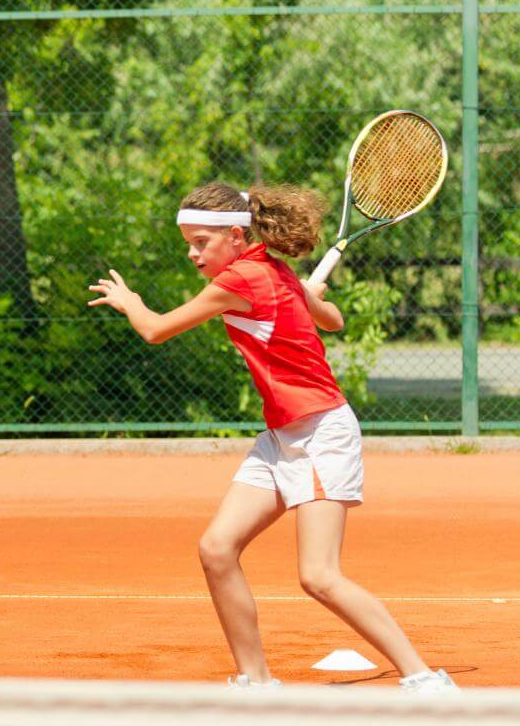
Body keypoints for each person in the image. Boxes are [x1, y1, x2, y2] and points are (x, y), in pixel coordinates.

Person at [85, 181, 457, 693]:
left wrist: (129, 302)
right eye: (189, 244)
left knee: (319, 576)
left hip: (322, 432)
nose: (193, 254)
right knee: (217, 548)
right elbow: (334, 319)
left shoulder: (242, 279)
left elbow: (155, 330)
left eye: (201, 243)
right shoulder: (269, 270)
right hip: (284, 435)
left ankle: (425, 680)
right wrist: (305, 296)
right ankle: (256, 681)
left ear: (236, 236)